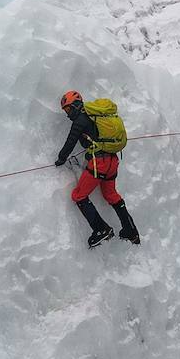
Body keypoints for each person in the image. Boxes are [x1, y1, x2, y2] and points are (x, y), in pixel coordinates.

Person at [54, 90, 140, 248]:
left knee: (79, 195)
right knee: (111, 195)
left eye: (67, 109)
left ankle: (101, 230)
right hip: (112, 160)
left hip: (98, 162)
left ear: (75, 105)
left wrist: (61, 158)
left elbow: (70, 141)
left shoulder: (80, 119)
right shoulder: (95, 116)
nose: (67, 114)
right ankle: (130, 230)